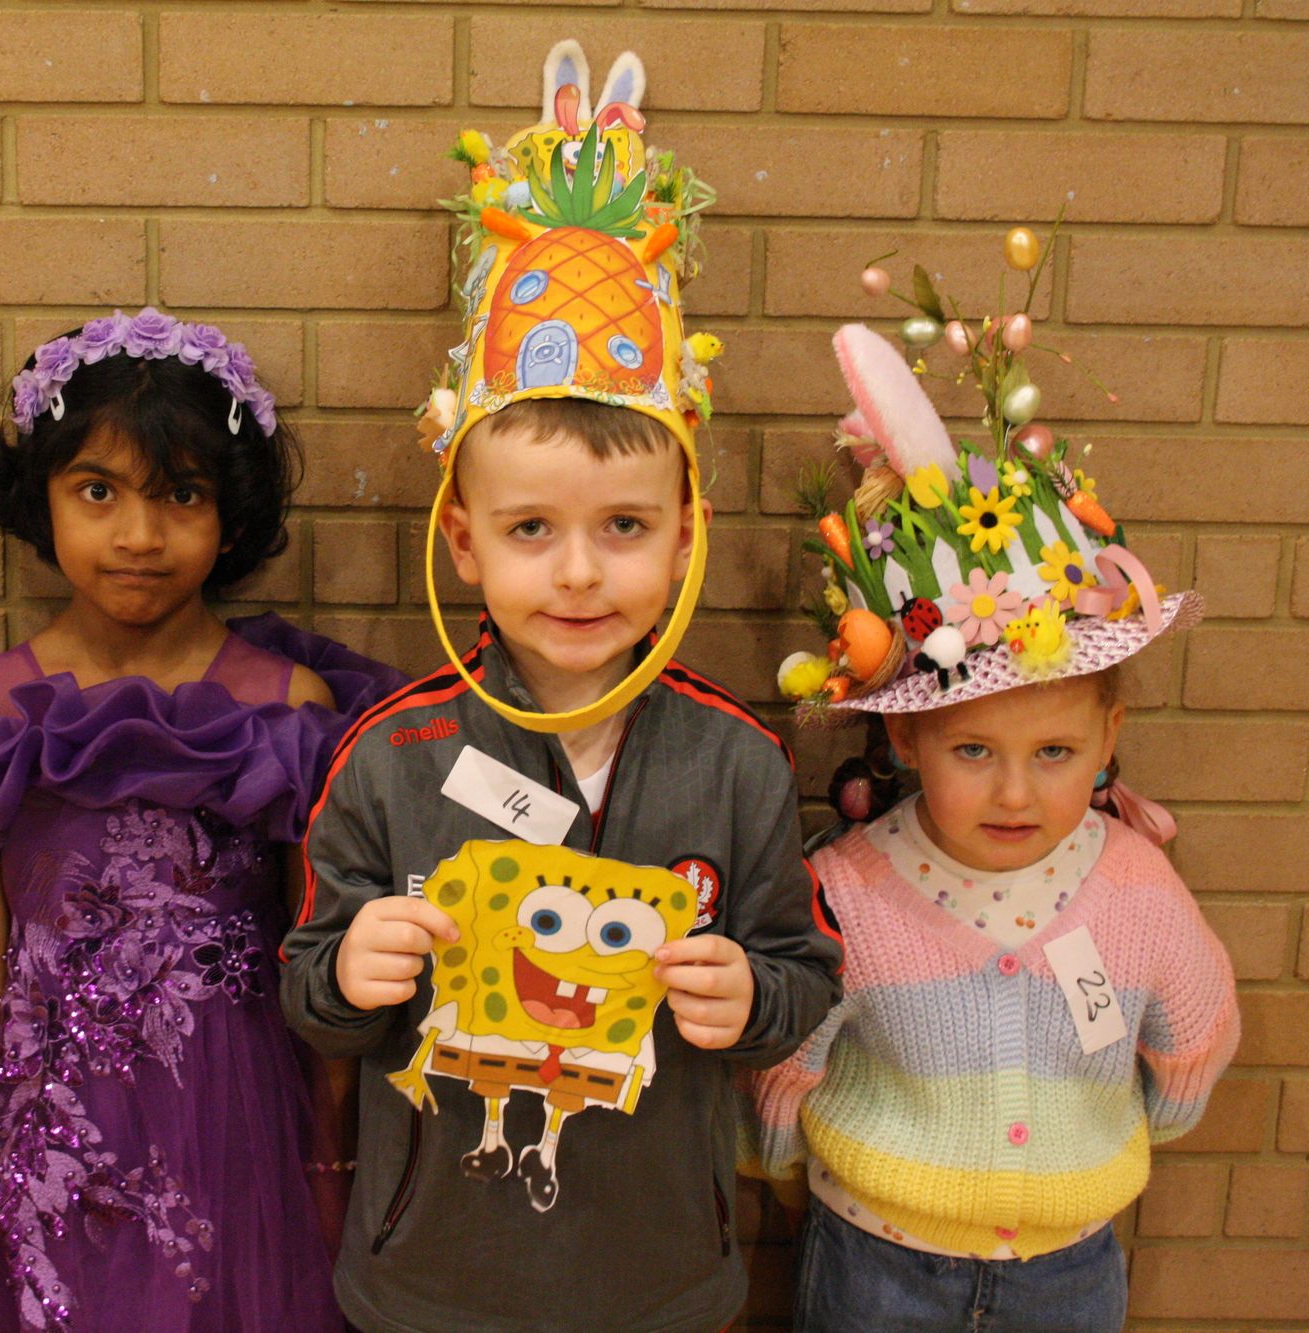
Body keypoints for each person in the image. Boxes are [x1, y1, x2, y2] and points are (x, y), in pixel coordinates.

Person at [279, 42, 842, 1333]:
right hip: (435, 1282)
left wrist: (754, 1000)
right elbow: (306, 983)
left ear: (687, 532)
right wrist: (350, 971)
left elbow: (803, 972)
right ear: (465, 542)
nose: (580, 574)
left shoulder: (737, 760)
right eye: (532, 530)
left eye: (626, 527)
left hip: (654, 1281)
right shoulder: (391, 754)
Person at [0, 308, 407, 1333]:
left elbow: (317, 959)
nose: (138, 535)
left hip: (230, 1132)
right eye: (98, 492)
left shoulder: (288, 705)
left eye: (181, 495)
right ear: (41, 497)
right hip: (30, 1131)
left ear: (232, 512)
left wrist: (329, 1151)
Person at [752, 280, 1240, 1332]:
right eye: (972, 748)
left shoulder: (1132, 887)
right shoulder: (846, 889)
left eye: (1055, 751)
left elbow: (1191, 1029)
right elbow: (787, 1058)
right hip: (873, 1266)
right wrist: (786, 1153)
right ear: (904, 737)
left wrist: (1125, 1135)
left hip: (1067, 1273)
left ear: (1108, 738)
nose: (1014, 790)